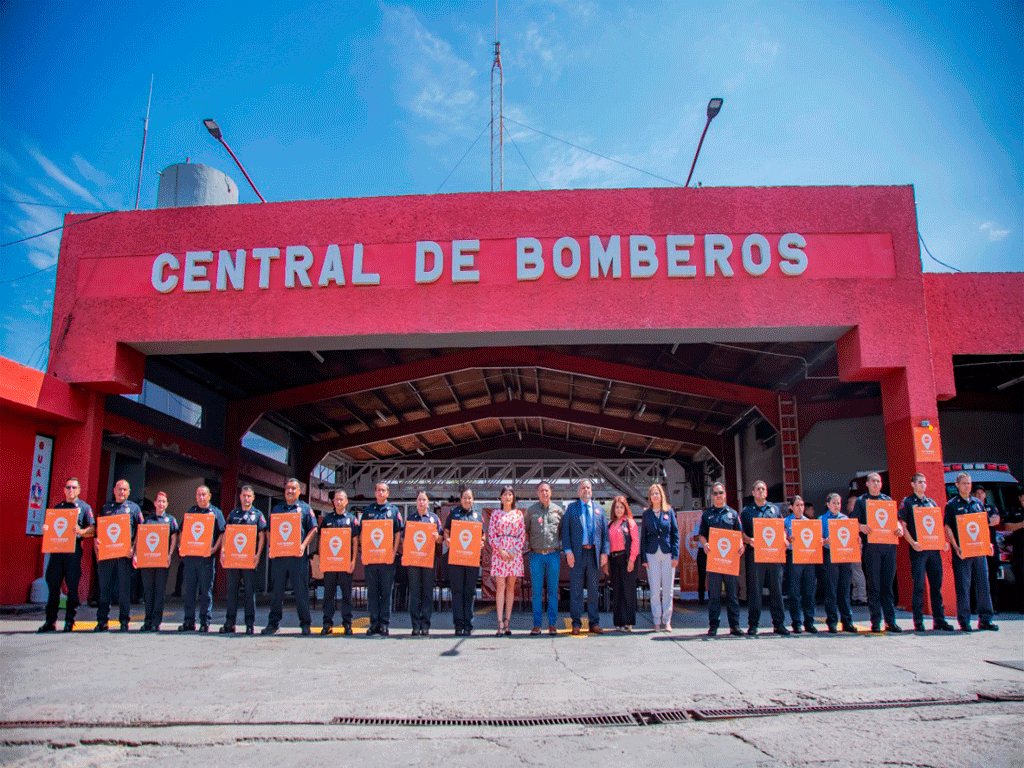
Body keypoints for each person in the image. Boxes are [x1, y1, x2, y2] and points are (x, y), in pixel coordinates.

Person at [38, 477, 95, 633]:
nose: (71, 490)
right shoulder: (58, 508)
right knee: (53, 587)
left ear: (79, 490)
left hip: (73, 553)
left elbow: (93, 529)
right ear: (64, 489)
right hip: (57, 553)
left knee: (72, 588)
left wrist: (81, 531)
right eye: (68, 487)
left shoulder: (84, 507)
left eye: (74, 488)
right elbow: (52, 527)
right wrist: (46, 530)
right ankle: (50, 621)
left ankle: (70, 621)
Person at [898, 474, 955, 632]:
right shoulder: (908, 502)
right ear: (913, 484)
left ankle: (939, 620)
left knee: (936, 586)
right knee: (919, 586)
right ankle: (918, 621)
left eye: (924, 482)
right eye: (920, 482)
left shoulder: (931, 503)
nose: (923, 485)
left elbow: (937, 525)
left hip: (934, 551)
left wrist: (943, 542)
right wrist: (912, 543)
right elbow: (903, 525)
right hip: (919, 550)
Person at [262, 478, 318, 635]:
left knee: (301, 592)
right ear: (284, 491)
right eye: (288, 488)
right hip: (280, 558)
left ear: (299, 491)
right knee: (277, 592)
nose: (290, 491)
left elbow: (313, 529)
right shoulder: (277, 509)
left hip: (298, 558)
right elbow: (268, 530)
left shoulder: (305, 509)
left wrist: (303, 545)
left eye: (294, 489)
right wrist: (272, 546)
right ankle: (273, 624)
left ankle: (305, 624)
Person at [945, 472, 998, 632]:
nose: (967, 486)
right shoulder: (952, 505)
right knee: (963, 586)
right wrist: (956, 547)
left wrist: (988, 543)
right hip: (963, 551)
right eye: (964, 483)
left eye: (969, 483)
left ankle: (985, 619)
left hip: (979, 550)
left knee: (983, 584)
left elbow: (982, 525)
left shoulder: (977, 503)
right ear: (957, 485)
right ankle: (964, 621)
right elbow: (947, 527)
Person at [854, 472, 904, 633]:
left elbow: (895, 519)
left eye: (878, 481)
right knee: (874, 586)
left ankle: (890, 621)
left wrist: (899, 527)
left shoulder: (887, 501)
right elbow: (853, 521)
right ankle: (875, 621)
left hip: (889, 547)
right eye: (873, 481)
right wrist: (860, 527)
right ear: (867, 484)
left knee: (888, 586)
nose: (876, 483)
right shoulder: (862, 501)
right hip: (872, 548)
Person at [740, 480, 789, 636]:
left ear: (766, 492)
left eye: (763, 489)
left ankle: (779, 624)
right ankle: (753, 624)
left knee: (777, 590)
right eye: (758, 489)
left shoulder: (774, 509)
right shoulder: (747, 512)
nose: (761, 491)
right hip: (755, 556)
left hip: (774, 555)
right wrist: (749, 540)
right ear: (753, 493)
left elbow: (781, 529)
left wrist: (785, 539)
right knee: (755, 591)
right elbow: (740, 533)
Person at [94, 479, 143, 632]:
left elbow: (141, 531)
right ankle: (102, 621)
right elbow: (99, 531)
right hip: (107, 556)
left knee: (124, 590)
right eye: (119, 489)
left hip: (124, 556)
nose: (122, 492)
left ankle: (124, 621)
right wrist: (98, 548)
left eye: (125, 490)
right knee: (104, 589)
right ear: (114, 490)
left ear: (129, 492)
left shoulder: (134, 509)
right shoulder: (106, 508)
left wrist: (133, 550)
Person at [562, 480, 609, 635]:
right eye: (583, 488)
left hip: (594, 555)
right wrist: (568, 551)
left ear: (592, 491)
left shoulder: (599, 509)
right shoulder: (571, 509)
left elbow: (605, 535)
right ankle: (576, 623)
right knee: (576, 590)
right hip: (577, 555)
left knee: (594, 590)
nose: (586, 490)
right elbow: (566, 532)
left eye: (588, 488)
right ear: (578, 492)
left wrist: (604, 552)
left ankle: (594, 622)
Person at [177, 485, 226, 633]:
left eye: (204, 495)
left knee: (206, 592)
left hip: (206, 558)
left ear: (209, 496)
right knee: (189, 591)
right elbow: (181, 530)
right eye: (199, 495)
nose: (201, 497)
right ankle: (188, 621)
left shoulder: (216, 513)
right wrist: (181, 546)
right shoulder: (190, 512)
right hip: (191, 558)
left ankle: (205, 622)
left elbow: (223, 533)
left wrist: (215, 549)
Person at [220, 485, 267, 635]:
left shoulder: (258, 515)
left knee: (249, 592)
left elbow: (262, 537)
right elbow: (227, 534)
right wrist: (223, 551)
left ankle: (249, 624)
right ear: (240, 497)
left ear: (253, 498)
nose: (246, 498)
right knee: (232, 591)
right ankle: (229, 622)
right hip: (234, 559)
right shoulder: (233, 514)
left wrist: (258, 555)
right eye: (244, 496)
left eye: (249, 496)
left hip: (249, 560)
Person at [699, 482, 745, 636]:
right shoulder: (707, 515)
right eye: (715, 493)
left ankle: (735, 625)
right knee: (714, 595)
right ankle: (713, 625)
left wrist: (741, 546)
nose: (718, 496)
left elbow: (739, 534)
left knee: (732, 594)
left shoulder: (733, 514)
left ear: (725, 494)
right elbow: (701, 535)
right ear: (711, 496)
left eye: (720, 493)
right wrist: (705, 544)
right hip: (714, 561)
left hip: (730, 561)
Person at [361, 481, 404, 636]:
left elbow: (398, 532)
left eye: (383, 490)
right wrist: (364, 553)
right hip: (371, 559)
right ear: (375, 493)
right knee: (372, 593)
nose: (380, 493)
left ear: (388, 493)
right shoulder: (368, 510)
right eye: (378, 490)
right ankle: (373, 624)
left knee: (386, 592)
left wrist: (393, 553)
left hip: (387, 560)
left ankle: (384, 624)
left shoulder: (393, 511)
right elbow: (363, 532)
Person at [525, 481, 563, 635]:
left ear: (551, 493)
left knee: (553, 591)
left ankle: (552, 624)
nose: (544, 493)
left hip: (553, 555)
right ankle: (537, 625)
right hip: (536, 556)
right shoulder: (531, 511)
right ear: (537, 493)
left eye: (547, 490)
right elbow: (526, 531)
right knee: (537, 592)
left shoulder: (559, 511)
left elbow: (562, 532)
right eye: (541, 491)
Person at [319, 489, 359, 635]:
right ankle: (327, 623)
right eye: (336, 499)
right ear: (333, 502)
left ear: (346, 501)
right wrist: (321, 560)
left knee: (346, 595)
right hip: (330, 564)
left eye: (342, 499)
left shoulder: (352, 519)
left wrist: (353, 561)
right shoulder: (327, 519)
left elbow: (355, 542)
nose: (339, 502)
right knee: (328, 595)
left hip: (345, 565)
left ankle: (347, 623)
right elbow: (322, 541)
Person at [446, 487, 484, 636]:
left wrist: (481, 542)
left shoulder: (477, 516)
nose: (467, 500)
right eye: (465, 498)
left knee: (469, 592)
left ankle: (468, 624)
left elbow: (483, 535)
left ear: (473, 500)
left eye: (470, 498)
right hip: (456, 559)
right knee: (457, 592)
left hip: (471, 559)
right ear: (460, 499)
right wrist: (448, 539)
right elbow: (446, 531)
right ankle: (458, 624)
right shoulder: (453, 513)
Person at [640, 483, 678, 631]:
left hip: (667, 553)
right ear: (650, 497)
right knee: (655, 590)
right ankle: (656, 620)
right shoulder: (646, 514)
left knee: (668, 589)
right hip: (652, 554)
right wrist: (643, 558)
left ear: (662, 495)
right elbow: (643, 537)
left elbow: (675, 534)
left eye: (657, 493)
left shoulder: (669, 512)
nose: (655, 496)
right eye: (653, 494)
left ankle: (667, 620)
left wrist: (675, 555)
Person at [139, 491, 179, 632]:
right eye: (159, 501)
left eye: (164, 501)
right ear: (155, 503)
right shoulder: (147, 520)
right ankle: (147, 620)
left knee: (159, 592)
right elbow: (141, 538)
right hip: (148, 561)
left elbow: (174, 538)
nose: (161, 504)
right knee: (148, 592)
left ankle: (156, 621)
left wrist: (169, 554)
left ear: (167, 504)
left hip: (162, 561)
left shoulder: (171, 520)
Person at [490, 486, 526, 636]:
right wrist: (500, 551)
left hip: (514, 554)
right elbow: (492, 534)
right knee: (500, 587)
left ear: (513, 498)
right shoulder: (495, 514)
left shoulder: (518, 514)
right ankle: (499, 622)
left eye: (510, 495)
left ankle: (507, 622)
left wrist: (513, 551)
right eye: (505, 495)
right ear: (501, 498)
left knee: (511, 587)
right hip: (499, 553)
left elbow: (522, 535)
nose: (507, 497)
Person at [818, 492, 856, 633]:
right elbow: (818, 539)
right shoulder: (821, 519)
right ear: (828, 504)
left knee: (845, 589)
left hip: (844, 555)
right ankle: (832, 622)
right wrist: (824, 541)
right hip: (829, 555)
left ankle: (847, 621)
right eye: (834, 503)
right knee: (831, 590)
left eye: (839, 503)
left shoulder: (845, 519)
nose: (837, 505)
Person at [405, 490, 441, 636]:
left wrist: (437, 537)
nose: (421, 502)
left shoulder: (433, 518)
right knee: (415, 594)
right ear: (416, 502)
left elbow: (441, 538)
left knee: (427, 592)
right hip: (413, 561)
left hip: (428, 560)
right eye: (419, 499)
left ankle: (425, 624)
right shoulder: (410, 519)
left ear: (428, 502)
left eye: (424, 500)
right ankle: (415, 625)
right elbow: (404, 538)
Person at [784, 495, 818, 634]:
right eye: (797, 505)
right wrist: (787, 539)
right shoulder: (785, 521)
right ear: (791, 507)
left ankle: (809, 622)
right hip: (793, 557)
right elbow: (781, 539)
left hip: (808, 557)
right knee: (794, 593)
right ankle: (796, 623)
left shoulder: (809, 522)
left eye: (802, 505)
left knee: (809, 591)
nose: (800, 508)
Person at [608, 495, 639, 631]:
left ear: (625, 508)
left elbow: (635, 543)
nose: (619, 510)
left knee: (628, 591)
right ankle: (618, 622)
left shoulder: (630, 523)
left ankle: (628, 621)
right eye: (616, 507)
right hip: (614, 560)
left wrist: (631, 560)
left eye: (621, 507)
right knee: (617, 591)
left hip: (626, 560)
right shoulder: (610, 524)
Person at [971, 485, 1002, 612]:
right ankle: (974, 606)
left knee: (992, 578)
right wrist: (986, 521)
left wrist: (980, 522)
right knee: (974, 578)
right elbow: (969, 523)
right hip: (975, 546)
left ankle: (993, 606)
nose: (979, 495)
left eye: (982, 493)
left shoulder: (991, 507)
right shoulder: (972, 507)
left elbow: (996, 521)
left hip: (991, 546)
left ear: (985, 494)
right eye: (977, 493)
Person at [846, 492, 868, 605]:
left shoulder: (858, 516)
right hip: (849, 545)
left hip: (856, 545)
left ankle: (862, 597)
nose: (847, 506)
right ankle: (855, 596)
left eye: (850, 503)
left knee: (857, 570)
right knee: (853, 572)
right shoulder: (850, 516)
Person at [689, 520, 707, 604]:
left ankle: (713, 597)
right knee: (702, 574)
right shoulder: (700, 522)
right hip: (702, 551)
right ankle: (701, 597)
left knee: (714, 576)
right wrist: (703, 537)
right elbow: (694, 537)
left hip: (714, 551)